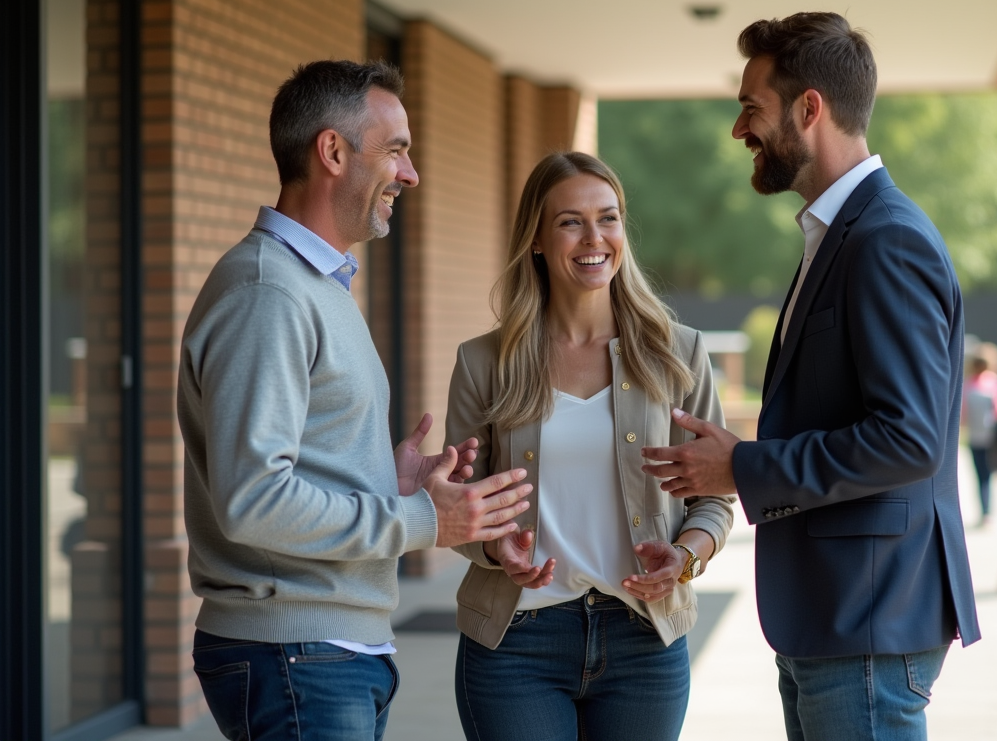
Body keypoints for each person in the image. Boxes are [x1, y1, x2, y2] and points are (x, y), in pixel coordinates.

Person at [640, 12, 980, 741]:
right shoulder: (841, 233)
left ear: (809, 108)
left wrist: (743, 467)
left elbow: (909, 439)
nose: (739, 129)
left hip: (866, 624)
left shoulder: (885, 240)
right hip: (834, 620)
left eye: (751, 107)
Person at [177, 60, 532, 741]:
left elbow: (288, 470)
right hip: (294, 650)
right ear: (333, 152)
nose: (411, 174)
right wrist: (421, 520)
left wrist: (382, 479)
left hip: (323, 651)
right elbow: (253, 500)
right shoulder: (269, 293)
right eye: (396, 150)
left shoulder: (314, 285)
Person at [446, 151, 736, 741]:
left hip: (644, 642)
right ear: (536, 239)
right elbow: (459, 504)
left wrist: (686, 557)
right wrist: (498, 547)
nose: (593, 237)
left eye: (608, 218)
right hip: (515, 645)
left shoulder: (678, 353)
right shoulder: (483, 362)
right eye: (570, 222)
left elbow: (714, 496)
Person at [962, 342, 997, 524]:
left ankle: (985, 511)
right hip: (992, 437)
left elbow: (963, 416)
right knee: (989, 475)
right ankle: (988, 511)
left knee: (980, 476)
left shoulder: (968, 385)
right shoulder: (995, 383)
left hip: (975, 438)